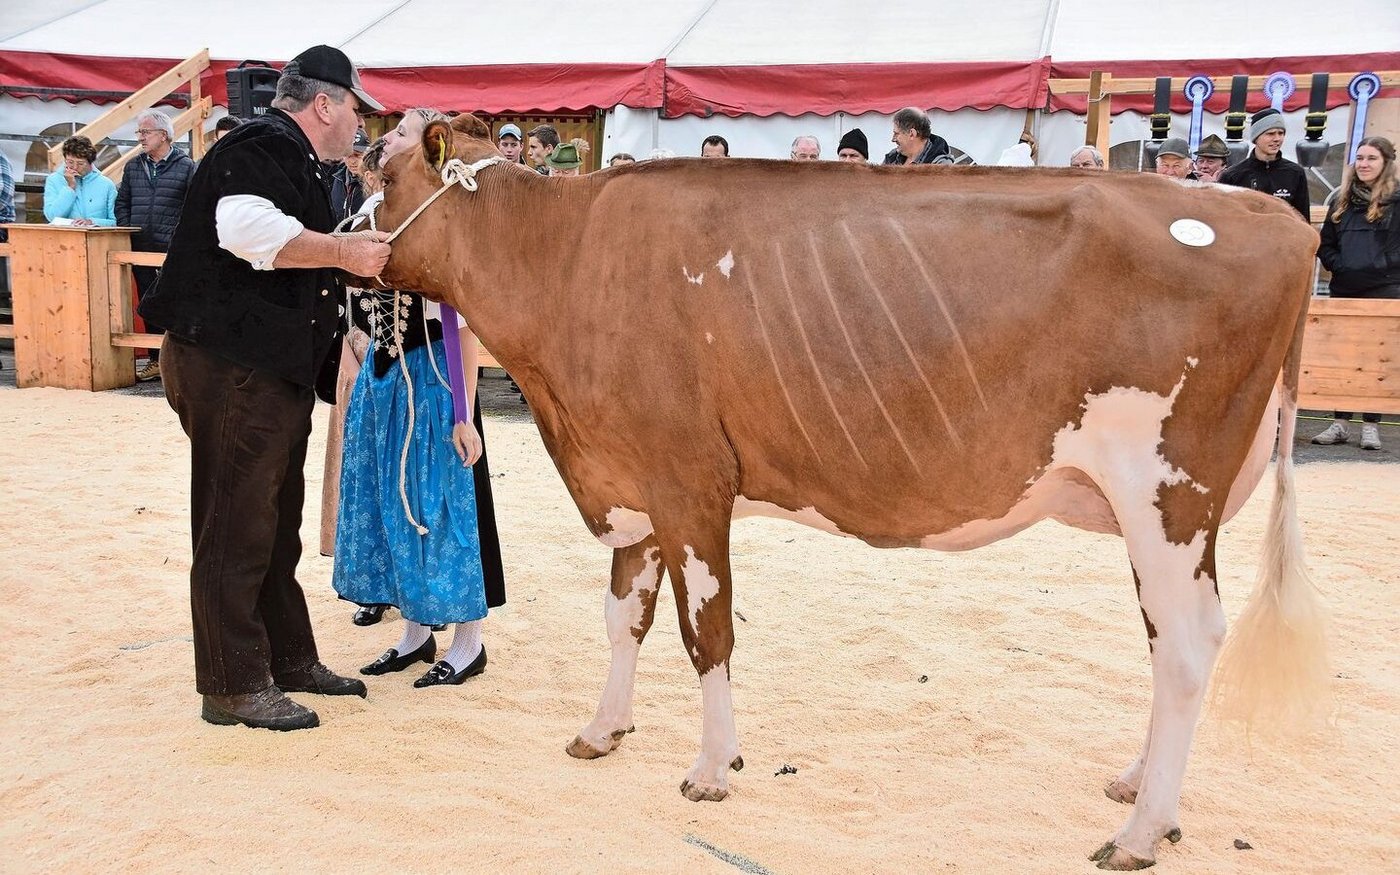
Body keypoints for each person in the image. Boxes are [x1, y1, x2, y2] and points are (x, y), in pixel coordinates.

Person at [137, 44, 391, 731]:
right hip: (230, 364)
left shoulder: (294, 158)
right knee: (235, 521)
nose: (359, 123)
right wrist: (342, 252)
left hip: (263, 368)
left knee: (274, 522)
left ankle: (286, 658)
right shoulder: (258, 146)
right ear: (324, 103)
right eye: (355, 109)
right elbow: (247, 231)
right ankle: (231, 682)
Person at [333, 120, 506, 686]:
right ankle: (414, 634)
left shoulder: (435, 215)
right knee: (390, 507)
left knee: (442, 511)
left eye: (405, 130)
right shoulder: (376, 210)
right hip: (382, 378)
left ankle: (468, 644)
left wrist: (463, 410)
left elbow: (459, 323)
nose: (390, 136)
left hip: (432, 379)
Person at [1311, 136, 1400, 451]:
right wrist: (1341, 265)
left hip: (1384, 290)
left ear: (1385, 163)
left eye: (1371, 158)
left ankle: (1371, 426)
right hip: (1345, 289)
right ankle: (1340, 423)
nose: (1363, 164)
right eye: (1359, 158)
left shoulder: (1396, 202)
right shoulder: (1341, 201)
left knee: (1375, 359)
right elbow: (1326, 243)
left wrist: (1381, 266)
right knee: (1344, 357)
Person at [116, 109, 196, 382]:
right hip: (140, 246)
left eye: (145, 132)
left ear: (163, 135)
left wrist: (178, 238)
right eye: (139, 132)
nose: (140, 137)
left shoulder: (187, 167)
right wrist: (130, 228)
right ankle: (154, 359)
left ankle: (178, 361)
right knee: (148, 303)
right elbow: (122, 202)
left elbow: (193, 208)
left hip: (171, 249)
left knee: (174, 302)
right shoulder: (133, 166)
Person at [1218, 108, 1310, 220]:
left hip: (1283, 235)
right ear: (1256, 138)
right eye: (1270, 134)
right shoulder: (1233, 176)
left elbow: (1303, 220)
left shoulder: (1295, 173)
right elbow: (1222, 217)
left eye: (1281, 133)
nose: (1277, 139)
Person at [44, 136, 116, 227]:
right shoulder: (54, 180)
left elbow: (115, 221)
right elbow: (51, 216)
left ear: (90, 162)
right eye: (70, 162)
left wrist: (92, 222)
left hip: (97, 238)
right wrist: (70, 188)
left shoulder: (107, 184)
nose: (74, 167)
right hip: (64, 237)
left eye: (80, 163)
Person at [326, 127, 368, 225]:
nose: (352, 161)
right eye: (348, 156)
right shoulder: (335, 178)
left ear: (367, 154)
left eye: (358, 155)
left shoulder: (374, 181)